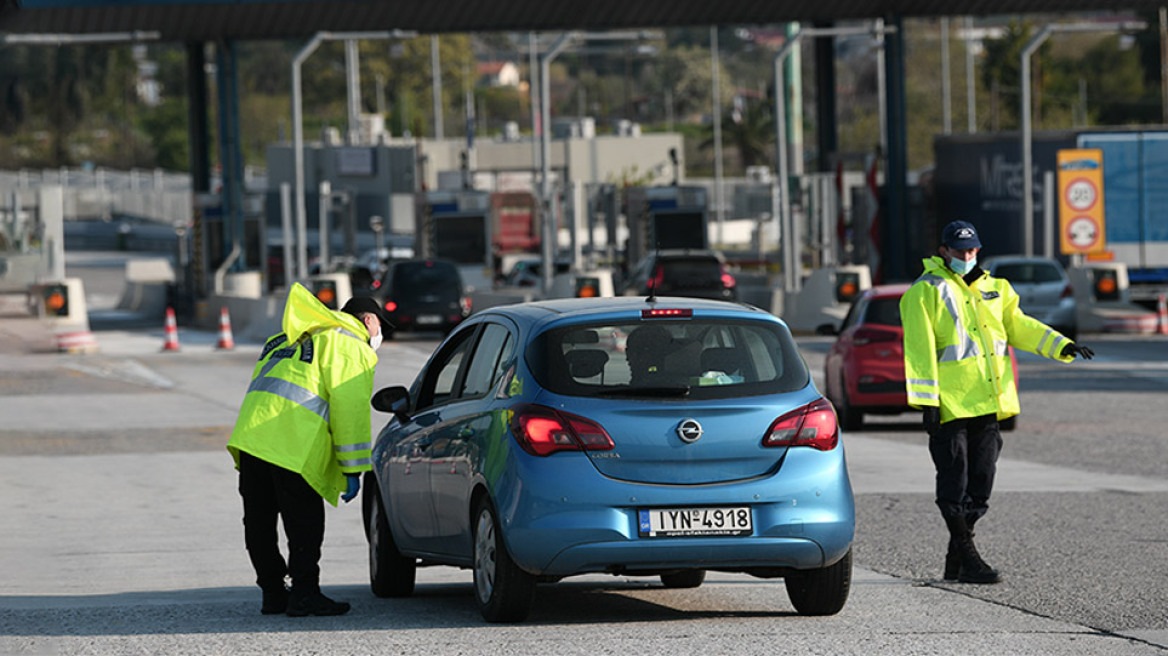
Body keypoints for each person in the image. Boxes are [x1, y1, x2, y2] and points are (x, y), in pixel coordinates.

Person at [900, 220, 1094, 584]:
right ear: (943, 251)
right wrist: (927, 403)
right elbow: (918, 351)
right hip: (950, 405)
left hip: (988, 401)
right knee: (954, 481)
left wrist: (1061, 345)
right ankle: (968, 557)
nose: (967, 256)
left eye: (972, 249)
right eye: (960, 251)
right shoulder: (924, 292)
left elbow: (1020, 326)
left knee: (982, 481)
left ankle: (956, 558)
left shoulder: (996, 288)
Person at [227, 283, 393, 616]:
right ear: (368, 320)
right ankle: (304, 593)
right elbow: (350, 411)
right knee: (304, 523)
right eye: (380, 327)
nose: (380, 336)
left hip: (251, 441)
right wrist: (353, 469)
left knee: (259, 522)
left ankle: (273, 593)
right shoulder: (350, 345)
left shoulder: (284, 338)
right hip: (293, 445)